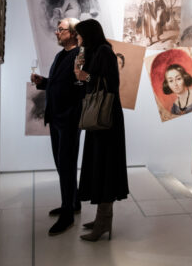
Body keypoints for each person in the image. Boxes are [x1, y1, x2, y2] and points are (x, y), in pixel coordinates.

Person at [73, 19, 129, 241]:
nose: (77, 38)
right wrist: (82, 71)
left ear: (89, 34)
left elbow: (111, 84)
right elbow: (88, 83)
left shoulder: (105, 51)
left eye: (79, 34)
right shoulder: (94, 52)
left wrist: (86, 76)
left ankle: (104, 221)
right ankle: (101, 218)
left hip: (106, 118)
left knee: (105, 167)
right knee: (99, 165)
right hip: (99, 118)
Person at [30, 18, 83, 236]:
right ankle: (73, 202)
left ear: (73, 33)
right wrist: (43, 82)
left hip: (69, 120)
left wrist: (73, 115)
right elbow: (60, 83)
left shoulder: (80, 56)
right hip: (56, 118)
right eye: (57, 29)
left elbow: (81, 87)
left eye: (61, 29)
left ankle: (68, 214)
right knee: (62, 164)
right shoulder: (61, 55)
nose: (56, 32)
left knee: (66, 165)